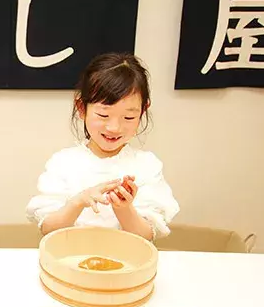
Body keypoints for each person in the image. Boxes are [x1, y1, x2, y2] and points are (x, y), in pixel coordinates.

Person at [26, 53, 179, 241]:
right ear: (82, 108)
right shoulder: (63, 162)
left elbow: (146, 236)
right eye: (103, 115)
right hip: (71, 261)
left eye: (128, 117)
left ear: (143, 111)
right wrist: (79, 201)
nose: (114, 127)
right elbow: (48, 229)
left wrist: (124, 209)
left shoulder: (147, 165)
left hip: (125, 264)